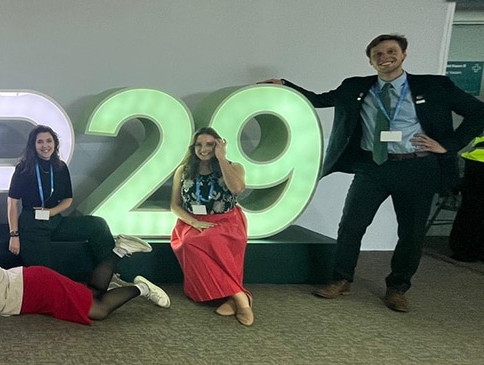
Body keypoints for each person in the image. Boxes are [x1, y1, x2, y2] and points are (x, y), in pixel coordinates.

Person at [261, 34, 484, 312]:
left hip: (417, 167)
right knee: (351, 225)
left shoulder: (434, 85)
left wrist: (448, 145)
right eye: (377, 54)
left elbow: (479, 112)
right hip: (373, 167)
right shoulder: (356, 87)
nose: (384, 57)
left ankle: (398, 288)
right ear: (370, 60)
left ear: (403, 55)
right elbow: (319, 100)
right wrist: (285, 85)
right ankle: (341, 279)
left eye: (391, 51)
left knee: (411, 233)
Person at [0, 232, 169, 325]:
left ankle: (142, 288)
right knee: (90, 294)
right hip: (27, 285)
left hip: (34, 288)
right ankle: (119, 251)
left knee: (96, 310)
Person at [7, 125, 140, 276]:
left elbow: (68, 199)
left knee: (98, 224)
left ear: (55, 143)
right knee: (45, 276)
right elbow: (12, 203)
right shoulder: (24, 168)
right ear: (33, 145)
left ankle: (111, 275)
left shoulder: (60, 167)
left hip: (55, 220)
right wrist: (14, 236)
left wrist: (52, 212)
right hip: (32, 225)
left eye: (49, 141)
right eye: (40, 142)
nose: (45, 145)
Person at [169, 128, 252, 326]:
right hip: (192, 221)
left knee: (210, 238)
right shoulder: (183, 170)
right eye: (199, 144)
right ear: (193, 147)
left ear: (218, 146)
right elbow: (175, 205)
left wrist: (222, 159)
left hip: (227, 222)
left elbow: (237, 189)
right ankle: (239, 296)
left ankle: (235, 298)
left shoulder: (234, 167)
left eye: (209, 144)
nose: (203, 149)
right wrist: (194, 222)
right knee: (189, 242)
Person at [449, 135, 484, 262]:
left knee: (471, 209)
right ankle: (466, 250)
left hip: (476, 161)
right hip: (478, 162)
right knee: (472, 209)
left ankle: (464, 250)